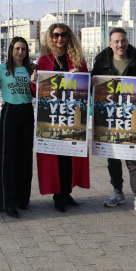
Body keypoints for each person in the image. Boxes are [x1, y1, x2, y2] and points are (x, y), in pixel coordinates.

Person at [91, 27, 136, 217]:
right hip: (109, 116)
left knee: (133, 159)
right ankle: (117, 191)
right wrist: (91, 82)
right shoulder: (100, 61)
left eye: (123, 40)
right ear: (110, 44)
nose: (120, 44)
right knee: (113, 157)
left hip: (131, 117)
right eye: (116, 41)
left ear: (127, 41)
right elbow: (93, 82)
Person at [36, 23, 89, 212]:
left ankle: (66, 192)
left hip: (72, 115)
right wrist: (34, 82)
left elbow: (86, 84)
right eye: (55, 35)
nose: (60, 39)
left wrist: (79, 76)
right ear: (50, 38)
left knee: (70, 155)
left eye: (63, 35)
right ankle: (58, 195)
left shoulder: (78, 60)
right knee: (55, 156)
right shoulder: (43, 61)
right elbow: (37, 91)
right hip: (51, 116)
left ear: (69, 37)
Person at [0, 37, 36, 218]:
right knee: (8, 158)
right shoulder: (1, 69)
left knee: (25, 158)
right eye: (17, 48)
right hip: (10, 112)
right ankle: (8, 202)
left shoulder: (32, 69)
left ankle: (22, 199)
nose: (20, 52)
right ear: (11, 50)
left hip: (27, 112)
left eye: (24, 49)